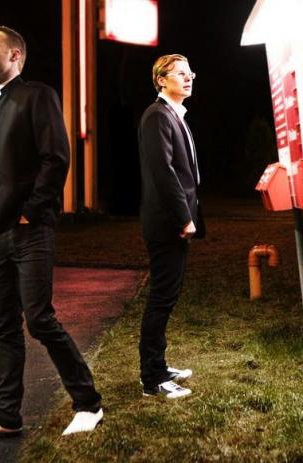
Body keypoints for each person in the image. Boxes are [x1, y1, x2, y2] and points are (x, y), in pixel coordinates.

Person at [0, 25, 102, 443]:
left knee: (39, 318)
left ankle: (88, 403)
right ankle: (6, 416)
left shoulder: (38, 96)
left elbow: (56, 158)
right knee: (4, 325)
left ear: (15, 55)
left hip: (29, 229)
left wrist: (29, 212)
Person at [138, 54, 205, 399]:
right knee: (161, 298)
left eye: (190, 72)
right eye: (180, 73)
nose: (188, 77)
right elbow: (163, 173)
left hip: (172, 223)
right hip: (167, 224)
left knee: (167, 296)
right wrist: (184, 218)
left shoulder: (174, 115)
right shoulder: (157, 116)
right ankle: (153, 379)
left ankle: (158, 366)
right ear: (161, 79)